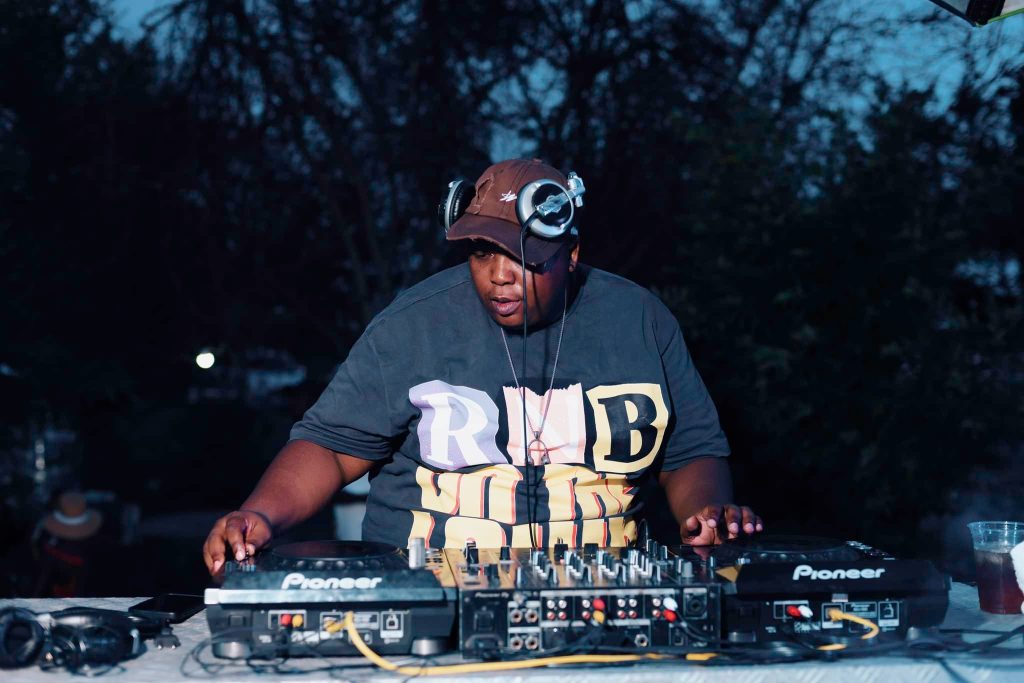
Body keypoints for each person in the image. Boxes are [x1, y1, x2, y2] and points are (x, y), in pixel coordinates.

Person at [203, 159, 763, 575]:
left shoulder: (639, 319)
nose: (498, 274)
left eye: (522, 256)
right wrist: (259, 515)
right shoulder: (414, 323)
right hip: (427, 592)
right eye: (481, 252)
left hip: (602, 588)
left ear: (569, 254)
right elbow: (330, 447)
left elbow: (690, 451)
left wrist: (707, 513)